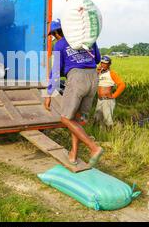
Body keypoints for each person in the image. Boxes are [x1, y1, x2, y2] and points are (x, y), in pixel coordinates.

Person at [44, 19, 104, 167]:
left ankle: (94, 148)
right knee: (76, 120)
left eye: (53, 35)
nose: (54, 38)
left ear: (56, 33)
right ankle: (73, 155)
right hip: (93, 78)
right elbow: (97, 59)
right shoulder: (88, 40)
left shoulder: (60, 44)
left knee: (65, 119)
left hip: (77, 78)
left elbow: (56, 71)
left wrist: (48, 94)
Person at [94, 56, 126, 127]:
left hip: (107, 100)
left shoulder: (111, 73)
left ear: (109, 64)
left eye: (105, 63)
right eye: (102, 63)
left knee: (108, 121)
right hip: (99, 100)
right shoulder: (98, 73)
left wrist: (114, 95)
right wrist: (97, 72)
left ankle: (111, 135)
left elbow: (122, 85)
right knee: (97, 119)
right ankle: (98, 134)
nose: (103, 65)